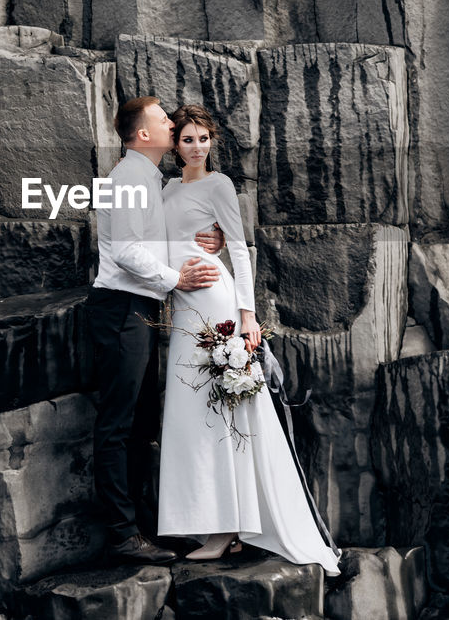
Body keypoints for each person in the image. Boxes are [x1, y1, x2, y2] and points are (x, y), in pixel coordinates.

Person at [157, 104, 340, 574]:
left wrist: (247, 314)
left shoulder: (219, 185)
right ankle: (215, 522)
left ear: (211, 142)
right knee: (189, 411)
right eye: (187, 139)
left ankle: (225, 530)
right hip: (184, 305)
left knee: (220, 408)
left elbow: (237, 246)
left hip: (215, 301)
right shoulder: (168, 187)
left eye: (203, 139)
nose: (196, 147)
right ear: (174, 144)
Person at [87, 96, 225, 564]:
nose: (172, 124)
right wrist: (177, 280)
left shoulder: (152, 180)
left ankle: (149, 526)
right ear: (143, 134)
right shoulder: (127, 177)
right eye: (164, 119)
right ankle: (123, 535)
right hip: (121, 308)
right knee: (118, 424)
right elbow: (126, 251)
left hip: (139, 309)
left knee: (142, 424)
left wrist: (215, 236)